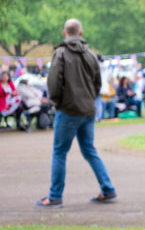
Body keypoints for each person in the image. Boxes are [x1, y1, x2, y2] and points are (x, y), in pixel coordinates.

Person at [36, 19, 117, 207]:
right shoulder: (91, 55)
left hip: (68, 110)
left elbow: (54, 82)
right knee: (89, 150)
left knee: (59, 152)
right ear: (80, 33)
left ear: (64, 33)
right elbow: (98, 83)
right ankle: (108, 188)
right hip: (88, 110)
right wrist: (90, 99)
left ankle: (55, 196)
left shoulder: (61, 53)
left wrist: (56, 102)